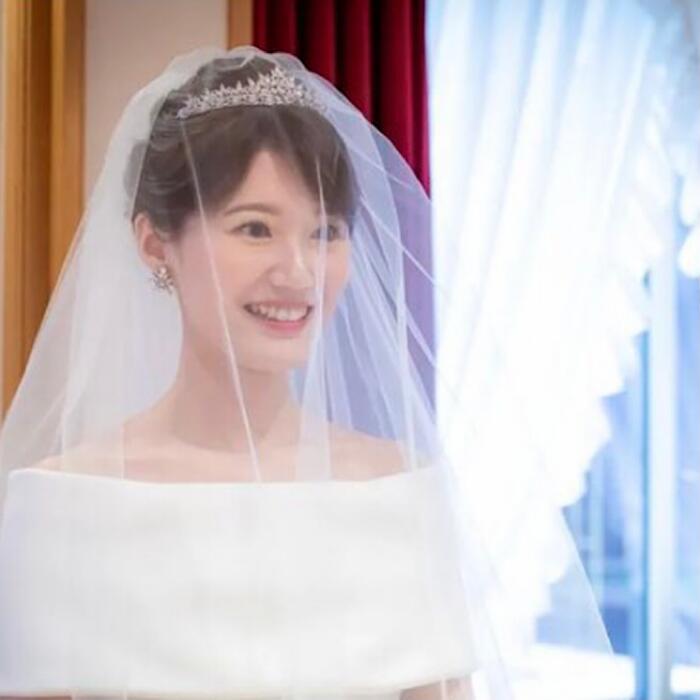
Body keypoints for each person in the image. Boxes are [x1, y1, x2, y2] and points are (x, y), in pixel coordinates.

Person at [0, 46, 611, 700]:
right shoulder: (64, 505)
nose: (299, 273)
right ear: (155, 243)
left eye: (325, 232)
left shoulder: (397, 492)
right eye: (255, 229)